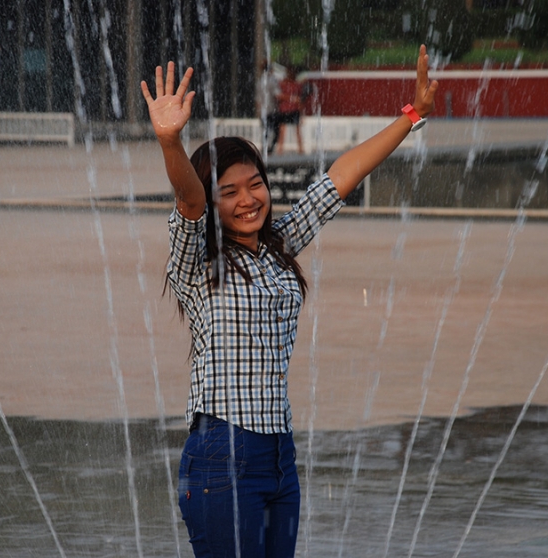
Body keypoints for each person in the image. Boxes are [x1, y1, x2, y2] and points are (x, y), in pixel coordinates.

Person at [140, 45, 438, 558]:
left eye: (255, 184)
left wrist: (412, 117)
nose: (247, 199)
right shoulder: (198, 261)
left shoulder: (279, 245)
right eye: (228, 192)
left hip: (278, 455)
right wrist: (170, 141)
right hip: (222, 453)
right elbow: (189, 199)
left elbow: (340, 179)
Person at [275, 67, 304, 154]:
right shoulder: (292, 85)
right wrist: (292, 99)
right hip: (290, 109)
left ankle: (282, 149)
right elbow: (298, 100)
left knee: (285, 130)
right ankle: (298, 149)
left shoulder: (284, 84)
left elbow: (299, 99)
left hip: (286, 109)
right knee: (287, 130)